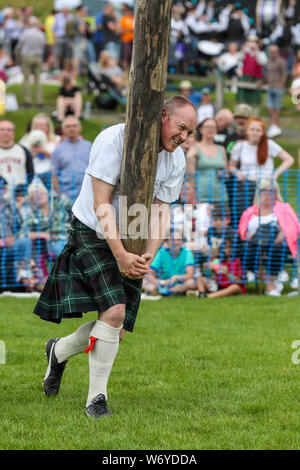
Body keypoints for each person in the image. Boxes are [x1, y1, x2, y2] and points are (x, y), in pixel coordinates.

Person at [33, 95, 198, 418]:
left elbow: (162, 211)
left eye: (190, 132)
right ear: (163, 115)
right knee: (115, 311)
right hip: (94, 230)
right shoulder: (113, 139)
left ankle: (58, 350)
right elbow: (101, 202)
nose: (184, 138)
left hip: (133, 235)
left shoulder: (175, 159)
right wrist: (120, 253)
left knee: (115, 325)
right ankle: (97, 400)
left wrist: (149, 251)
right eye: (181, 128)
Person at [228, 117, 294, 227]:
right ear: (247, 130)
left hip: (265, 187)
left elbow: (289, 159)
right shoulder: (239, 147)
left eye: (258, 130)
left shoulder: (269, 144)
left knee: (267, 217)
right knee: (245, 216)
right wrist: (237, 173)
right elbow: (231, 166)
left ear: (263, 132)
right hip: (246, 186)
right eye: (252, 129)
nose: (255, 132)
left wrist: (275, 174)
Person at [238, 179, 300, 296]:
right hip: (254, 245)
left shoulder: (284, 208)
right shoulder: (250, 211)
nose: (267, 194)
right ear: (258, 193)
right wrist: (248, 236)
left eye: (271, 191)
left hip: (277, 244)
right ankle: (270, 283)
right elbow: (242, 232)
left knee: (276, 249)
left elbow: (293, 227)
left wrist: (281, 235)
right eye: (264, 191)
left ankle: (271, 285)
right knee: (246, 252)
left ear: (276, 193)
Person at [18, 183, 72, 258]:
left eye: (42, 193)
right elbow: (22, 234)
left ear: (48, 194)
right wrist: (42, 234)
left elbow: (77, 204)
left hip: (72, 236)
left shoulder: (59, 204)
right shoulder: (33, 215)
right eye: (35, 195)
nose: (39, 196)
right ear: (32, 199)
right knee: (60, 249)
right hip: (55, 242)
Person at [186, 117, 228, 205]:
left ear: (217, 130)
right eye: (207, 127)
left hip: (221, 196)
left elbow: (227, 174)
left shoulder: (221, 149)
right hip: (200, 197)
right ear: (201, 130)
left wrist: (223, 174)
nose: (210, 130)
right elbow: (190, 176)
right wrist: (193, 196)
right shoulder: (195, 147)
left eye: (213, 127)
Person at [51, 115, 92, 201]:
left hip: (86, 193)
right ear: (63, 129)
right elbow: (53, 175)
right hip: (66, 195)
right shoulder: (58, 149)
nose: (71, 129)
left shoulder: (89, 146)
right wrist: (60, 195)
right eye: (68, 126)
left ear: (80, 128)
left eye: (74, 126)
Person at [20, 113, 60, 189]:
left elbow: (60, 159)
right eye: (38, 125)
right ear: (34, 126)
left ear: (48, 126)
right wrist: (30, 153)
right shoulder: (26, 139)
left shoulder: (57, 139)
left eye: (44, 125)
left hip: (50, 177)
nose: (41, 127)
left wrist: (43, 151)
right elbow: (20, 156)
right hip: (31, 175)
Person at [0, 119, 34, 197]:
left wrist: (24, 188)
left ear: (14, 133)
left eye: (9, 130)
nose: (6, 132)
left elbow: (31, 173)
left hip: (20, 195)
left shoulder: (23, 150)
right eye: (2, 129)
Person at [18, 16, 46, 108]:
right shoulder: (41, 34)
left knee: (26, 79)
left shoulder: (25, 33)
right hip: (38, 57)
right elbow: (44, 46)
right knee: (38, 80)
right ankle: (39, 101)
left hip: (26, 57)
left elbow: (20, 45)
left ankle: (27, 100)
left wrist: (17, 55)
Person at [265, 44, 287, 139]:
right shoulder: (268, 61)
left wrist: (281, 84)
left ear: (277, 52)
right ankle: (273, 126)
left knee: (277, 107)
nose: (272, 53)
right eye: (271, 51)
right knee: (270, 107)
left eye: (274, 51)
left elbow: (285, 73)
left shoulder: (281, 61)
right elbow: (267, 74)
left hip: (277, 87)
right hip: (270, 86)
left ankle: (274, 126)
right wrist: (261, 82)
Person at [119, 3, 134, 72]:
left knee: (132, 57)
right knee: (126, 56)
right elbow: (121, 30)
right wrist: (130, 30)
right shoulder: (124, 19)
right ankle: (124, 71)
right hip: (126, 40)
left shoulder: (134, 18)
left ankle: (130, 71)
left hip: (133, 40)